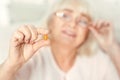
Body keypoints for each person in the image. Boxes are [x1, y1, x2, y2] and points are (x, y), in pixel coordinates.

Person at [0, 0, 120, 80]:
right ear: (50, 22)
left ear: (88, 32)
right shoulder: (32, 56)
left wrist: (112, 47)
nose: (73, 24)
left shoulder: (98, 61)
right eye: (65, 15)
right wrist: (12, 64)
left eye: (82, 21)